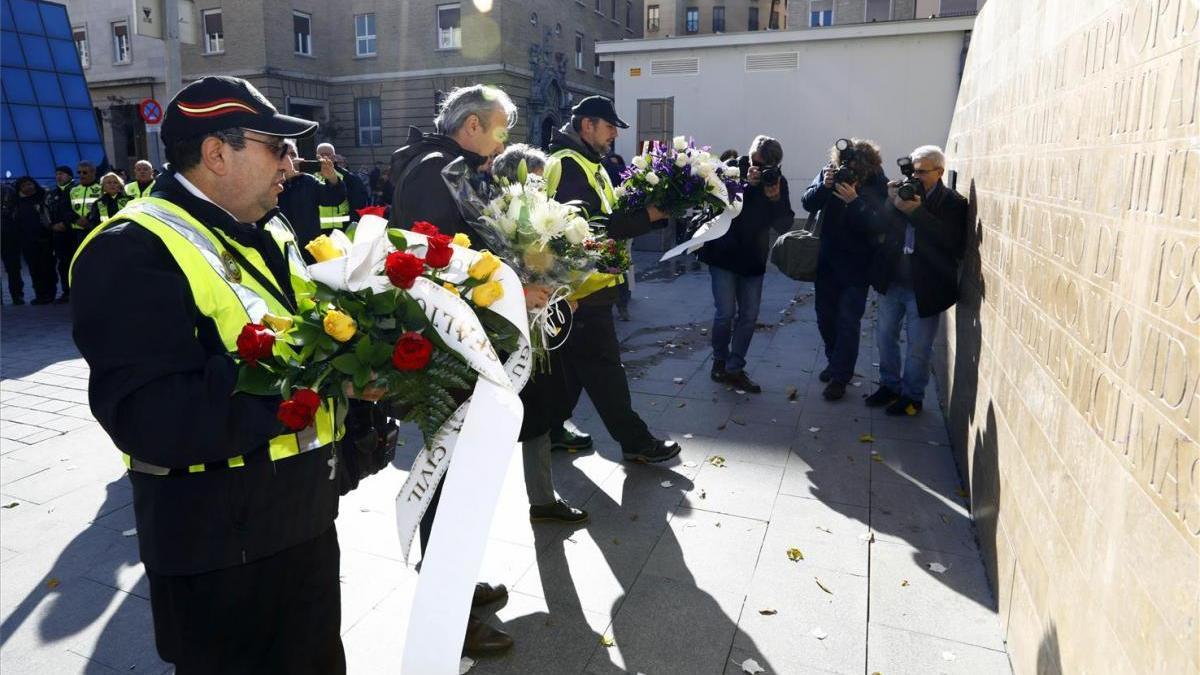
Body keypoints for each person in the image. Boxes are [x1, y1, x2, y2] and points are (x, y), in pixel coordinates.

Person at [70, 75, 360, 673]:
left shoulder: (271, 227)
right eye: (275, 147)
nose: (293, 161)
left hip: (300, 521)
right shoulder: (129, 249)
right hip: (217, 550)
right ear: (216, 153)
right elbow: (150, 418)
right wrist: (315, 371)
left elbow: (309, 331)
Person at [391, 84, 520, 659]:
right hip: (443, 347)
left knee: (463, 474)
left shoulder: (459, 167)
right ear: (470, 126)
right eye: (499, 128)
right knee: (446, 477)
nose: (504, 139)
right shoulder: (433, 171)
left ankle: (458, 583)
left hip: (465, 340)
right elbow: (434, 261)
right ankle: (449, 614)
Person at [545, 96, 680, 463]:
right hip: (582, 288)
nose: (612, 137)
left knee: (573, 367)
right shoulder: (569, 165)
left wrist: (654, 209)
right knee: (604, 369)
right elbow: (587, 229)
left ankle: (551, 429)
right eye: (608, 128)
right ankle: (635, 442)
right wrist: (648, 216)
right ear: (586, 125)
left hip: (589, 284)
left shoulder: (590, 164)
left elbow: (610, 214)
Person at [487, 144, 590, 527]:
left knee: (541, 412)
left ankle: (543, 498)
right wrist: (524, 291)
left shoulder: (536, 214)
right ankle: (480, 502)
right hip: (503, 335)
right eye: (535, 179)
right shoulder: (489, 219)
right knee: (510, 416)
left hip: (537, 329)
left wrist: (558, 295)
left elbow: (545, 260)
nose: (542, 187)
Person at [866, 145, 967, 416]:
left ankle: (912, 396)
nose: (916, 176)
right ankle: (890, 385)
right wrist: (890, 202)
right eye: (913, 170)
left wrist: (916, 212)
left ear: (940, 172)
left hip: (925, 288)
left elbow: (950, 241)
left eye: (922, 171)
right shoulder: (903, 193)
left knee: (918, 348)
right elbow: (879, 227)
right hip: (893, 281)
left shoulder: (953, 203)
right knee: (885, 337)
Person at [699, 135, 794, 393]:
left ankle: (735, 367)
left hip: (753, 258)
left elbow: (785, 224)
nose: (759, 169)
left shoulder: (775, 180)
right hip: (723, 254)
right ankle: (720, 360)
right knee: (725, 313)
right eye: (756, 162)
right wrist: (743, 184)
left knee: (749, 316)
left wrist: (775, 199)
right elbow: (715, 203)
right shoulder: (731, 169)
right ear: (750, 155)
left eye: (765, 166)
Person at [801, 138, 888, 401]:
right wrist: (825, 187)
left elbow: (879, 224)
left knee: (848, 321)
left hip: (857, 267)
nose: (848, 170)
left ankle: (841, 376)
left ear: (866, 166)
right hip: (826, 263)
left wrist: (855, 201)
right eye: (845, 164)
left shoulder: (876, 181)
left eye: (854, 167)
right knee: (825, 318)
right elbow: (807, 202)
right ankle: (834, 361)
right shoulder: (830, 172)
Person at [277, 140, 347, 252]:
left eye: (293, 154)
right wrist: (283, 178)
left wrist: (332, 179)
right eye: (286, 154)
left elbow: (334, 199)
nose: (290, 158)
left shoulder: (307, 180)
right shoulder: (270, 182)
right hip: (281, 248)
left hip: (309, 249)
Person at [2, 177, 56, 305]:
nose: (28, 187)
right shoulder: (15, 197)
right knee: (32, 268)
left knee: (45, 267)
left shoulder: (42, 198)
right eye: (24, 185)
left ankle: (45, 294)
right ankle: (39, 294)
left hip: (37, 238)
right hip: (24, 239)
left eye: (29, 184)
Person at [314, 142, 368, 228]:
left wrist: (353, 225)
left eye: (327, 154)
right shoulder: (310, 177)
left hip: (343, 228)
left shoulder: (348, 177)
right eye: (321, 154)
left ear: (334, 157)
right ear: (316, 156)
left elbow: (358, 204)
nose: (324, 157)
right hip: (317, 229)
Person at [45, 166, 77, 303]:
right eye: (57, 174)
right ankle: (66, 291)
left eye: (62, 174)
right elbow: (46, 212)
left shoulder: (76, 190)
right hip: (58, 234)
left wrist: (66, 223)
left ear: (69, 176)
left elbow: (78, 210)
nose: (59, 176)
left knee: (75, 263)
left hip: (74, 232)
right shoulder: (52, 193)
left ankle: (78, 291)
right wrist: (52, 225)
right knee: (63, 264)